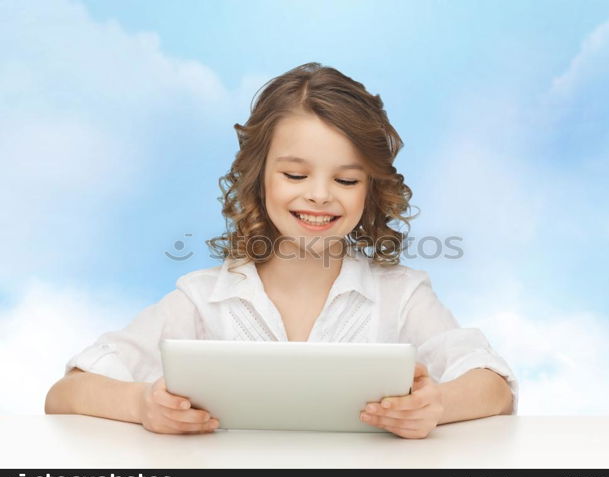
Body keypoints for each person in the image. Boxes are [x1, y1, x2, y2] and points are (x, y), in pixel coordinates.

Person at [45, 62, 518, 439]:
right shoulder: (204, 298)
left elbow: (494, 387)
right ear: (259, 178)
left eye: (346, 179)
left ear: (371, 190)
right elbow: (66, 393)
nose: (318, 195)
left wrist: (436, 406)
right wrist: (141, 405)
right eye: (295, 175)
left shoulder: (402, 295)